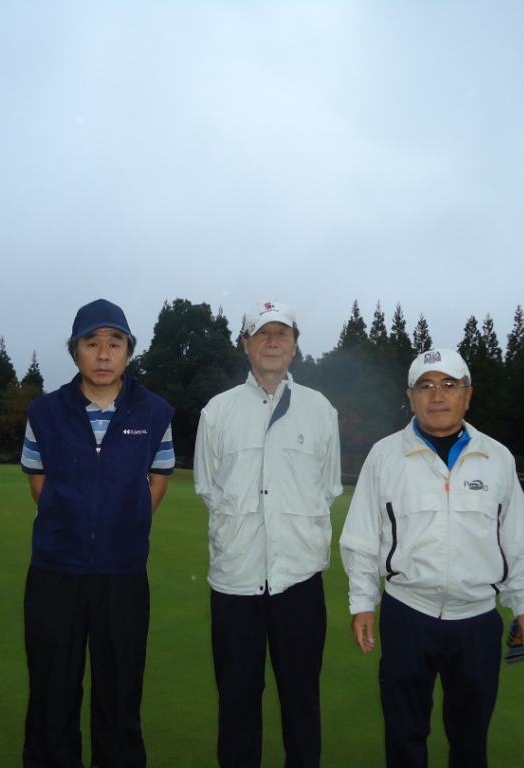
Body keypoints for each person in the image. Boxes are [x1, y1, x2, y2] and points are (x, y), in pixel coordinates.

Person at [339, 348, 524, 768]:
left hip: (477, 619)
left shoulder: (497, 457)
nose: (437, 395)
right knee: (404, 733)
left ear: (467, 395)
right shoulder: (384, 456)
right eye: (426, 386)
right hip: (407, 613)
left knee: (470, 737)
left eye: (449, 385)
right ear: (411, 397)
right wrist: (362, 602)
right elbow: (362, 537)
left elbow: (520, 539)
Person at [20, 299, 175, 768]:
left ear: (129, 351)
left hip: (122, 575)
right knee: (52, 695)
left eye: (115, 343)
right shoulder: (45, 412)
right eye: (92, 344)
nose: (103, 355)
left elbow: (158, 478)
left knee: (120, 696)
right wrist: (72, 524)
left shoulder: (154, 413)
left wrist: (120, 526)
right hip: (55, 572)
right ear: (76, 352)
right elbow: (39, 480)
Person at [194, 299, 342, 768]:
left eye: (283, 333)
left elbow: (328, 488)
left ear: (295, 345)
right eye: (262, 333)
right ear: (246, 344)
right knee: (237, 700)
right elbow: (208, 487)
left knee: (302, 700)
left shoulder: (320, 410)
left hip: (299, 580)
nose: (273, 342)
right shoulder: (217, 411)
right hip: (235, 581)